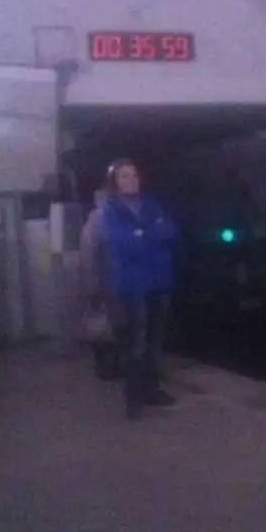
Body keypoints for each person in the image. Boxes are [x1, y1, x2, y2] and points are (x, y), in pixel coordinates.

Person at [101, 159, 179, 420]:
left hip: (160, 280)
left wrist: (142, 235)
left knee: (156, 339)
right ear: (115, 182)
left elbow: (171, 233)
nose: (131, 180)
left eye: (134, 175)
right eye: (124, 176)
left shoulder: (153, 204)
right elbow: (122, 246)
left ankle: (151, 389)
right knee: (137, 341)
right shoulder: (111, 210)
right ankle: (133, 397)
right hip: (133, 285)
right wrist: (151, 234)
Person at [79, 187, 127, 380]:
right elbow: (90, 257)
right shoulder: (101, 221)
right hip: (107, 285)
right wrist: (94, 287)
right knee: (107, 327)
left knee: (106, 327)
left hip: (108, 284)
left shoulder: (93, 222)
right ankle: (108, 367)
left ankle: (108, 367)